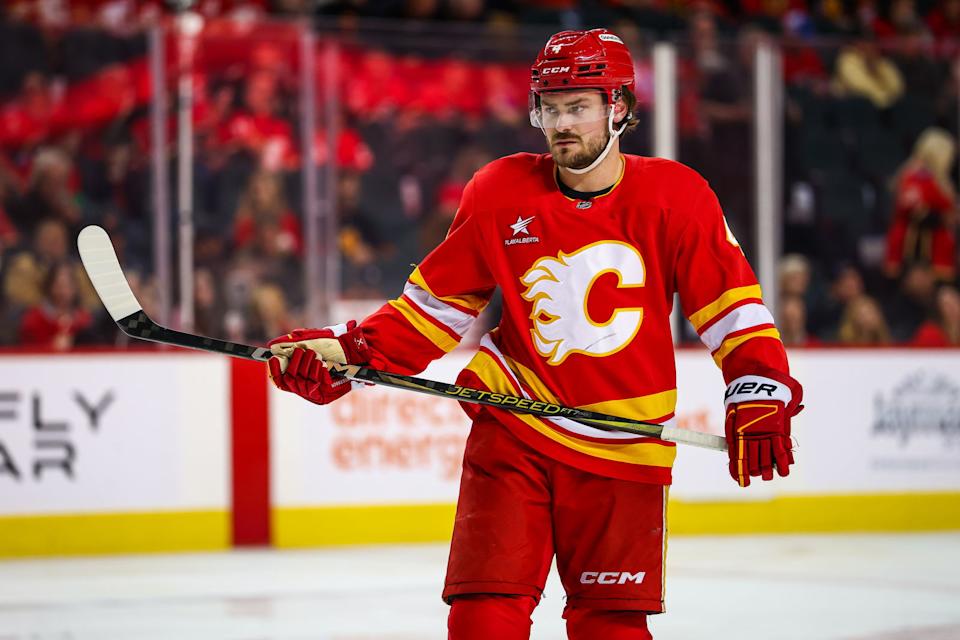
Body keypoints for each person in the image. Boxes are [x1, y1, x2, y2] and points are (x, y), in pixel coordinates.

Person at [266, 29, 803, 640]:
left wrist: (758, 383)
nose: (561, 123)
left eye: (578, 107)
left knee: (610, 630)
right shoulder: (499, 192)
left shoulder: (678, 198)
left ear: (619, 107)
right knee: (482, 620)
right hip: (513, 425)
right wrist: (345, 352)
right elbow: (430, 312)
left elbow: (732, 311)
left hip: (623, 447)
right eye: (550, 108)